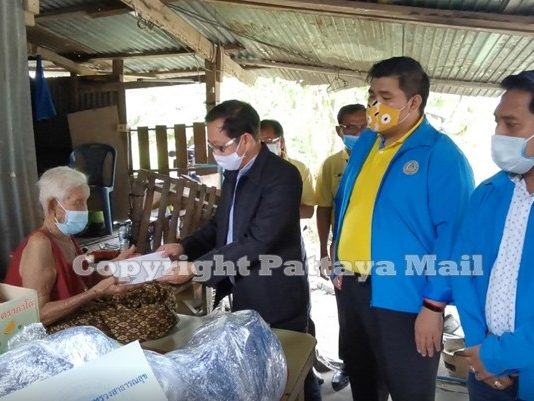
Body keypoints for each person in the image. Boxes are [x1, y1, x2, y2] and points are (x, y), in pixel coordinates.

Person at [158, 100, 321, 401]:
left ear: (245, 139)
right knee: (259, 368)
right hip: (243, 286)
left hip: (275, 290)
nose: (215, 153)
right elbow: (220, 225)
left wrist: (195, 269)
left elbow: (257, 241)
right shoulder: (234, 173)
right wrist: (184, 247)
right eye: (212, 146)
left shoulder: (282, 176)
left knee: (293, 368)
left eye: (220, 146)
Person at [332, 57, 474, 401]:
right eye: (372, 96)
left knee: (409, 389)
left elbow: (454, 237)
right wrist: (337, 259)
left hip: (407, 297)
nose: (375, 105)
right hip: (353, 290)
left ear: (414, 102)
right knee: (363, 382)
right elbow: (346, 204)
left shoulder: (440, 155)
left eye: (386, 97)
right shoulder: (367, 143)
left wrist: (434, 306)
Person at [451, 70, 534, 401]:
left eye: (511, 125)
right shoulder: (488, 193)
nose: (498, 134)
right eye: (497, 122)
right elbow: (464, 270)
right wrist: (479, 349)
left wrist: (498, 356)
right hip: (484, 367)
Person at [4, 166, 135, 326]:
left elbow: (85, 279)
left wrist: (115, 265)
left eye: (85, 202)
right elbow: (36, 316)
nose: (85, 209)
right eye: (78, 202)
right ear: (53, 206)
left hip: (72, 319)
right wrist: (94, 293)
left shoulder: (66, 237)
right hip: (45, 332)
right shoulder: (40, 244)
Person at [315, 103, 367, 391]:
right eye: (351, 128)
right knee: (347, 311)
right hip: (341, 252)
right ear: (339, 130)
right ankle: (349, 364)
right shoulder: (332, 165)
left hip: (376, 253)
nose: (358, 133)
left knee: (376, 312)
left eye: (364, 127)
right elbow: (323, 208)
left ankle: (376, 366)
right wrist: (324, 251)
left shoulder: (381, 159)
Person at [259, 119, 315, 219]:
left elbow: (308, 211)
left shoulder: (299, 169)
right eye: (259, 142)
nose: (263, 146)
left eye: (268, 141)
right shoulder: (248, 169)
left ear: (281, 142)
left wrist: (277, 212)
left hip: (288, 227)